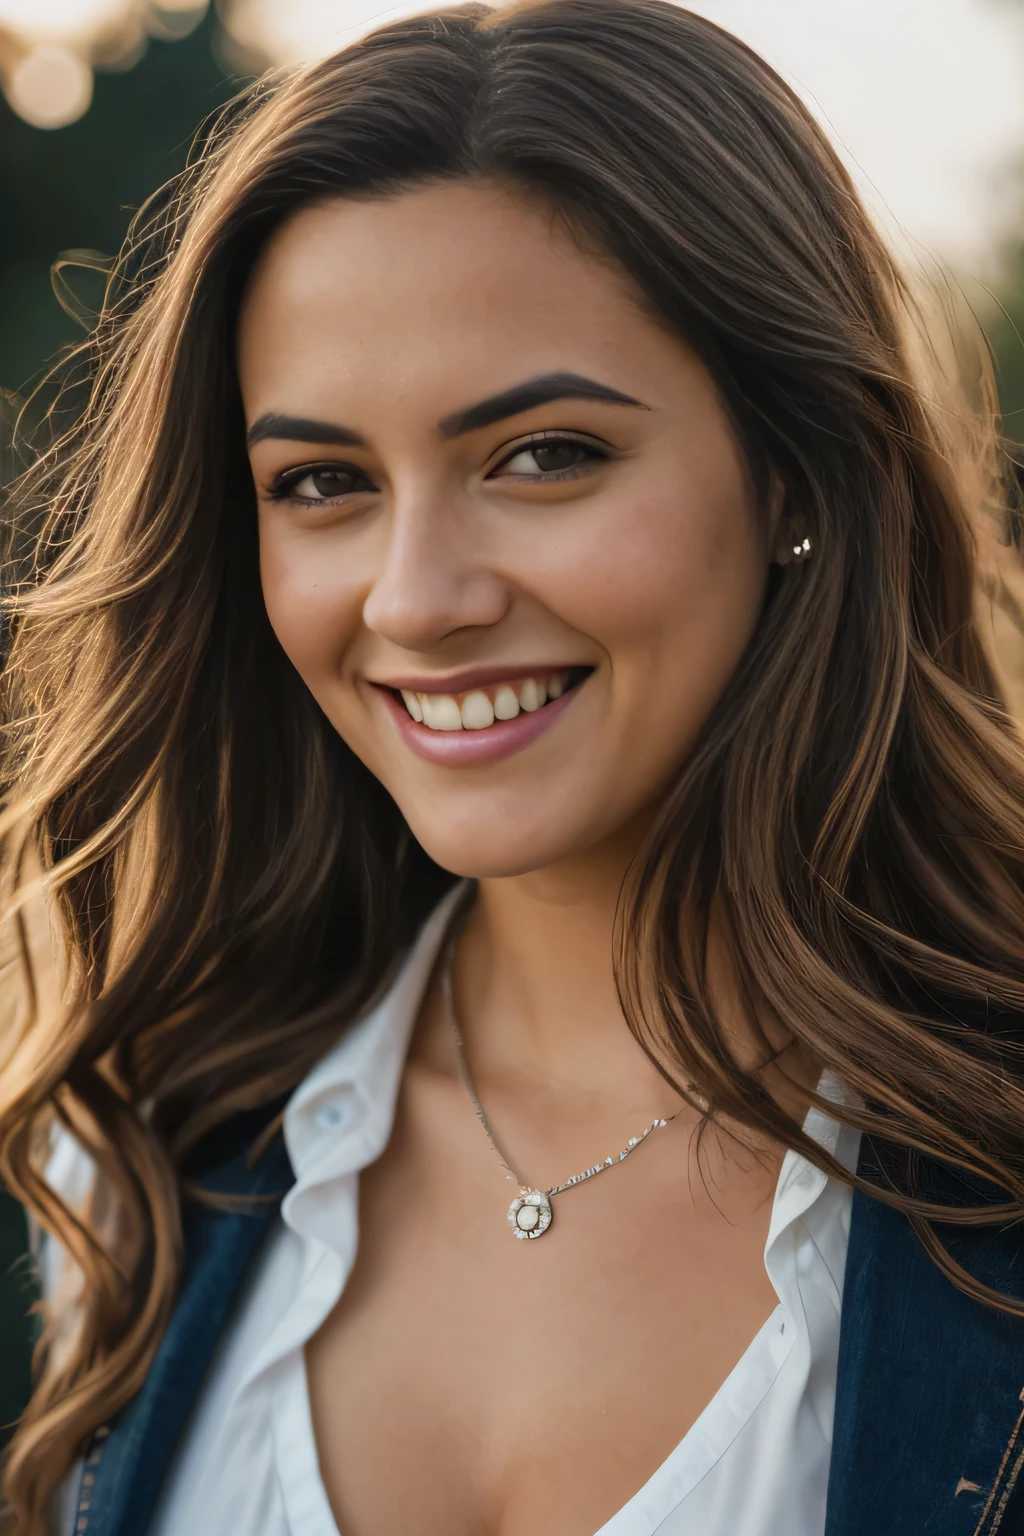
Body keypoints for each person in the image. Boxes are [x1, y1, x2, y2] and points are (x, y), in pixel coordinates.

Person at [3, 1, 1024, 1531]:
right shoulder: (136, 1148)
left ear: (797, 471)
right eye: (324, 482)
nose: (415, 598)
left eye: (543, 454)